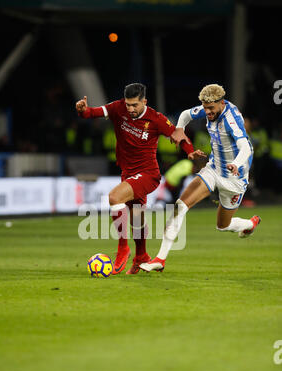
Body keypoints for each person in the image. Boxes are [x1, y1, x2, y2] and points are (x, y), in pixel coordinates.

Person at [76, 83, 197, 275]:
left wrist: (190, 151)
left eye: (135, 105)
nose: (130, 109)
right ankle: (141, 256)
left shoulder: (156, 119)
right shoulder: (118, 108)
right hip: (128, 172)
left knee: (114, 198)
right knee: (136, 218)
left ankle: (122, 249)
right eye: (128, 105)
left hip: (148, 174)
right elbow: (93, 113)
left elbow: (176, 134)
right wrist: (83, 111)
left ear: (144, 102)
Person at [140, 84, 261, 273]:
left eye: (211, 108)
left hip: (235, 178)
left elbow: (245, 147)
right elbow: (186, 114)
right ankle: (160, 259)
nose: (207, 112)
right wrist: (179, 129)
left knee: (223, 225)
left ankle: (248, 224)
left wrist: (236, 163)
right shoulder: (207, 108)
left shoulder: (231, 120)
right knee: (180, 205)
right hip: (213, 169)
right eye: (205, 108)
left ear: (221, 103)